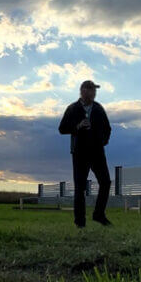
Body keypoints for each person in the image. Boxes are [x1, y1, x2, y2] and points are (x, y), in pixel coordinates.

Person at [58, 80, 112, 227]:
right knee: (80, 187)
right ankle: (80, 222)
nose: (94, 93)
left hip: (97, 152)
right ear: (82, 91)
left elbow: (108, 128)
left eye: (95, 90)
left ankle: (99, 214)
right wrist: (77, 126)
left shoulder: (99, 108)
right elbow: (62, 128)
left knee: (106, 182)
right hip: (79, 152)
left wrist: (103, 141)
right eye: (91, 90)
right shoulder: (72, 108)